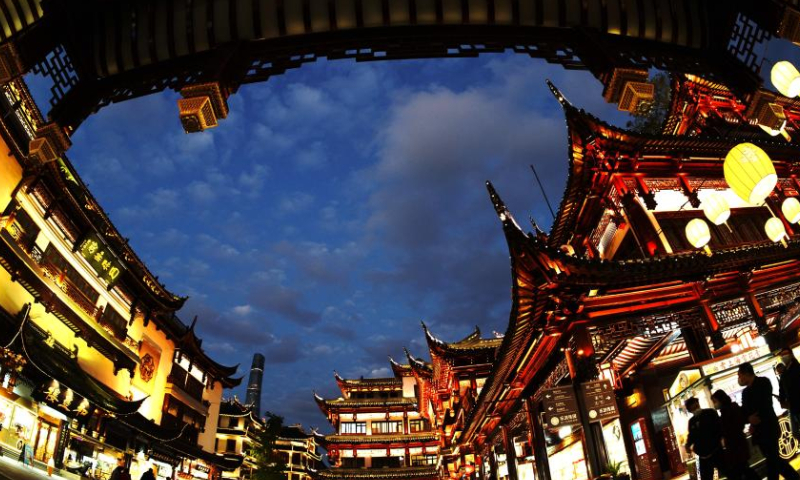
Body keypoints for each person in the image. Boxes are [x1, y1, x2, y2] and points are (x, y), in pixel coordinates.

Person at [738, 362, 800, 480]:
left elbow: (764, 404)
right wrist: (749, 419)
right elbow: (745, 411)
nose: (739, 379)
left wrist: (752, 416)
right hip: (758, 432)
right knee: (773, 459)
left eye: (740, 375)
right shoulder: (745, 392)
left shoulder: (763, 382)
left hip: (769, 428)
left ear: (746, 374)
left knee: (772, 459)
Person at [712, 389, 759, 480]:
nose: (714, 404)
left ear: (720, 400)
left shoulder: (729, 410)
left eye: (715, 401)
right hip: (736, 445)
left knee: (742, 469)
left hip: (736, 445)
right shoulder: (727, 409)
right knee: (744, 469)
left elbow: (734, 426)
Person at [684, 396, 724, 480]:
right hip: (703, 456)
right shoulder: (692, 421)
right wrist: (688, 445)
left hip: (716, 451)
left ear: (699, 404)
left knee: (728, 472)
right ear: (690, 411)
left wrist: (717, 441)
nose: (696, 409)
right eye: (693, 409)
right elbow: (691, 435)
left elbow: (719, 428)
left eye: (696, 406)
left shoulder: (710, 413)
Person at [779, 350, 800, 438]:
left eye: (785, 354)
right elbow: (782, 389)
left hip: (796, 403)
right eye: (782, 355)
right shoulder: (784, 372)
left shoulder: (797, 368)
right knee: (795, 432)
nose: (783, 356)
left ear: (791, 355)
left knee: (795, 431)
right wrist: (782, 400)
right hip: (792, 406)